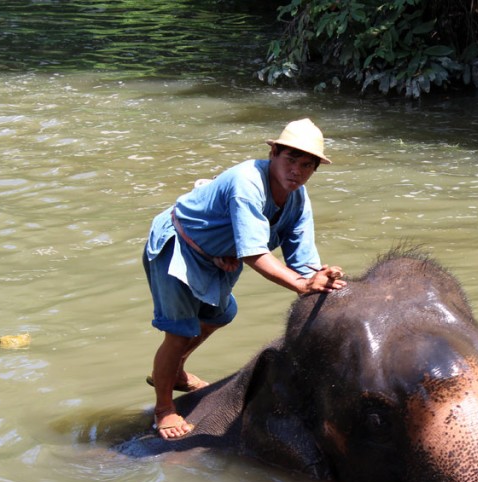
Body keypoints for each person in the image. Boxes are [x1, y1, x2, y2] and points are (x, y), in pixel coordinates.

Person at [141, 118, 346, 439]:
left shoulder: (297, 200)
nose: (297, 171)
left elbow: (304, 262)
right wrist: (302, 285)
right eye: (291, 160)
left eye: (307, 165)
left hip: (219, 257)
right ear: (274, 153)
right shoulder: (247, 182)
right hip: (180, 244)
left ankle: (174, 371)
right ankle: (164, 409)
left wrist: (322, 279)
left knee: (222, 315)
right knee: (179, 332)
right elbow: (253, 254)